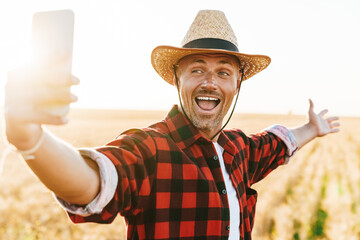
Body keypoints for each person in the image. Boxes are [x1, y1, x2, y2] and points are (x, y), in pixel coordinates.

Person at [5, 10, 340, 240]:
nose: (210, 82)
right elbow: (95, 180)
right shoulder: (149, 149)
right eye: (197, 69)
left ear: (236, 85)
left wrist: (312, 128)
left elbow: (277, 143)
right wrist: (29, 137)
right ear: (177, 79)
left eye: (223, 72)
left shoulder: (238, 149)